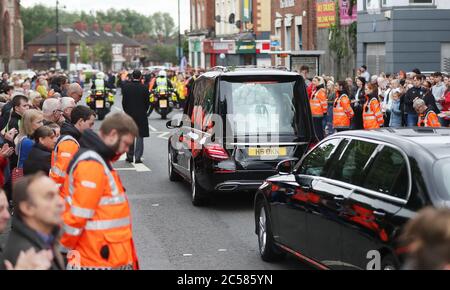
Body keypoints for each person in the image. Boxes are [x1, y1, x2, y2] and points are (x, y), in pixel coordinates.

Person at [60, 113, 140, 270]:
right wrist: (61, 252)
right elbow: (78, 216)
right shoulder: (92, 164)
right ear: (113, 135)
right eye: (125, 144)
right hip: (96, 258)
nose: (126, 150)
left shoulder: (97, 159)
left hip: (101, 254)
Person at [0, 174, 65, 270]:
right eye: (49, 196)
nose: (60, 202)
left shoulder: (46, 241)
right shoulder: (27, 257)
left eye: (57, 195)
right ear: (27, 208)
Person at [50, 105, 95, 189]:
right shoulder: (69, 143)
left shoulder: (73, 138)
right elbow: (61, 175)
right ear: (81, 121)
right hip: (64, 193)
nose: (92, 128)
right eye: (90, 124)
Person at [121, 70, 150, 164]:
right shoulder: (144, 88)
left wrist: (127, 111)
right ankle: (138, 157)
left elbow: (124, 102)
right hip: (141, 115)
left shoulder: (126, 87)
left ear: (132, 76)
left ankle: (129, 156)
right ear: (141, 76)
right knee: (140, 136)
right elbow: (147, 103)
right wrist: (143, 111)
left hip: (129, 114)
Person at [310, 77, 328, 141]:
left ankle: (320, 141)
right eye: (313, 81)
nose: (313, 83)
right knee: (317, 130)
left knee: (318, 130)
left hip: (318, 114)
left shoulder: (320, 91)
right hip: (314, 114)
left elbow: (324, 103)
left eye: (315, 81)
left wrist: (324, 112)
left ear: (319, 82)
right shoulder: (315, 90)